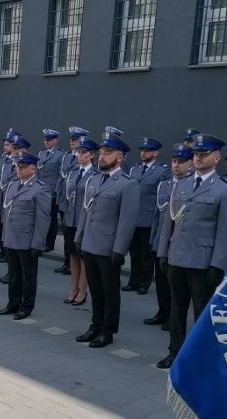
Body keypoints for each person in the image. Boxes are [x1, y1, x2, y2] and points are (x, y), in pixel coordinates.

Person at [156, 134, 227, 368]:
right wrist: (163, 252)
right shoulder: (181, 184)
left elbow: (226, 232)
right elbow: (168, 222)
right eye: (196, 154)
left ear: (216, 157)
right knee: (176, 310)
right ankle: (175, 351)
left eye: (204, 155)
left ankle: (199, 358)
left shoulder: (225, 190)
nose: (199, 158)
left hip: (202, 263)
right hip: (177, 257)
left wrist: (218, 264)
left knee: (202, 314)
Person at [73, 132, 140, 349]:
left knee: (110, 290)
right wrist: (79, 237)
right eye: (101, 152)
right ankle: (95, 324)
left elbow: (127, 221)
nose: (102, 156)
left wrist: (119, 250)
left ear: (119, 158)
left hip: (109, 247)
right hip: (90, 243)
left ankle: (108, 330)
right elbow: (86, 212)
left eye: (107, 153)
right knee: (95, 287)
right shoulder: (93, 180)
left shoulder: (127, 184)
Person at [0, 151, 52, 320]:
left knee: (28, 276)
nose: (18, 170)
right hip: (12, 238)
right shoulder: (13, 185)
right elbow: (8, 213)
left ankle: (26, 306)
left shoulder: (40, 189)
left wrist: (38, 244)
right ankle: (12, 303)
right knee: (13, 274)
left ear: (33, 169)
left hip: (28, 240)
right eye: (17, 166)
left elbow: (43, 219)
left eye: (22, 167)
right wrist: (4, 236)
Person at [143, 144, 193, 331]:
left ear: (190, 164)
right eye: (174, 161)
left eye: (181, 162)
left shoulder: (191, 186)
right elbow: (158, 213)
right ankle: (162, 311)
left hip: (179, 241)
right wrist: (153, 238)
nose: (176, 165)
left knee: (176, 284)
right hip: (161, 240)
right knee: (161, 279)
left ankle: (174, 316)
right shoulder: (164, 185)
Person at [123, 137, 171, 295]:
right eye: (142, 150)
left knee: (147, 254)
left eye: (147, 150)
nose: (144, 153)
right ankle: (133, 280)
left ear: (155, 152)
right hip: (134, 218)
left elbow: (162, 195)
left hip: (149, 218)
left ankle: (144, 282)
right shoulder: (134, 169)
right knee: (134, 252)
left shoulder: (161, 171)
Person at [62, 136, 99, 306]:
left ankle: (82, 291)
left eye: (83, 152)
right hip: (71, 219)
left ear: (91, 155)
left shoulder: (96, 175)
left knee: (83, 257)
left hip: (85, 222)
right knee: (72, 256)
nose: (79, 155)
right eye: (78, 152)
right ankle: (72, 288)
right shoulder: (73, 173)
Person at [56, 126, 90, 275]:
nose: (71, 142)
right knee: (67, 235)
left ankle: (74, 265)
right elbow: (61, 178)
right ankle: (67, 261)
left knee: (77, 237)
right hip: (67, 201)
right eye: (71, 139)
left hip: (79, 203)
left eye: (74, 139)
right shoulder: (66, 156)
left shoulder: (84, 159)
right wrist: (59, 197)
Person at [0, 134, 31, 285]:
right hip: (7, 209)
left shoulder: (28, 168)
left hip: (20, 213)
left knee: (18, 248)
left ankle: (16, 275)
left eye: (18, 149)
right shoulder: (6, 165)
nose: (14, 151)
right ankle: (11, 272)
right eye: (13, 148)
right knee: (8, 244)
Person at [0, 130, 17, 262]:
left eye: (8, 144)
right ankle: (2, 249)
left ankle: (8, 252)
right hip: (0, 198)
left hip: (10, 199)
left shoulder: (17, 162)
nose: (5, 146)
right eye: (5, 144)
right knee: (0, 225)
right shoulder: (1, 160)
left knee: (8, 226)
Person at [37, 129, 64, 252]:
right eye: (45, 139)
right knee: (41, 217)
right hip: (41, 191)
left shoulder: (60, 154)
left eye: (49, 140)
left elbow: (60, 175)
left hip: (52, 192)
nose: (46, 142)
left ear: (55, 141)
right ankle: (42, 240)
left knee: (51, 218)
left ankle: (50, 243)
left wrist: (56, 191)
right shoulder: (41, 154)